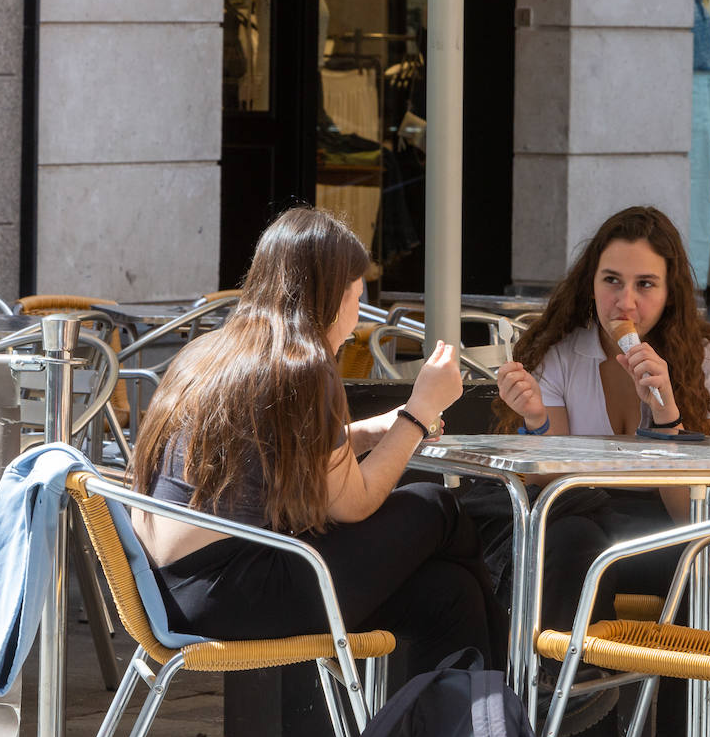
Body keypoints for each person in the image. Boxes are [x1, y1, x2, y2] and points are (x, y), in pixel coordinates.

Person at [131, 207, 501, 676]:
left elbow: (279, 457)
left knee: (449, 592)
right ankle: (523, 684)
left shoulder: (212, 352)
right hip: (234, 588)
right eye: (357, 296)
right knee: (437, 507)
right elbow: (351, 504)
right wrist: (419, 412)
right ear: (333, 296)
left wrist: (376, 430)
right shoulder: (300, 366)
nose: (357, 315)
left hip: (172, 591)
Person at [494, 205, 710, 737]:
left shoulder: (706, 359)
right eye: (612, 281)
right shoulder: (561, 354)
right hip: (586, 514)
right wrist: (534, 421)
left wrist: (668, 417)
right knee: (569, 541)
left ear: (671, 293)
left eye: (646, 285)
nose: (627, 302)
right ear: (591, 283)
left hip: (673, 516)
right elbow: (549, 483)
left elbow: (697, 505)